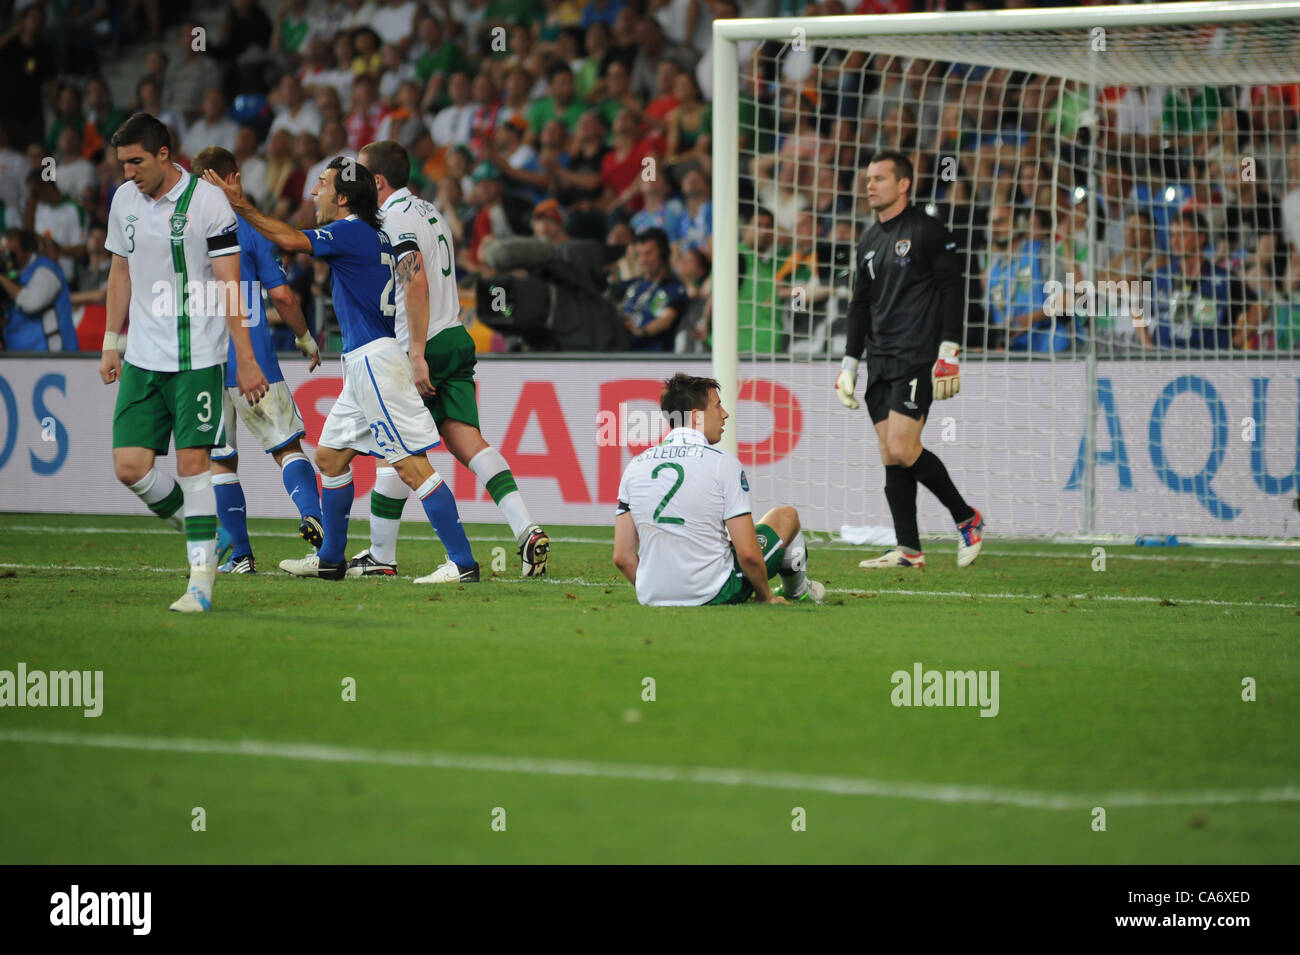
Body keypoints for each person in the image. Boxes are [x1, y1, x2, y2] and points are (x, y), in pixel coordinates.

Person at [203, 155, 480, 583]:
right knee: (329, 458)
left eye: (323, 183)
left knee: (409, 465)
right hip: (363, 361)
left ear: (344, 197)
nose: (315, 191)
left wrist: (242, 206)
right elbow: (413, 276)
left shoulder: (350, 230)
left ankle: (462, 563)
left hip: (375, 361)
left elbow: (293, 241)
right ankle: (331, 559)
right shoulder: (380, 231)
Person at [350, 139, 550, 577]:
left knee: (393, 449)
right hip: (454, 333)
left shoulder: (393, 218)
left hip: (422, 343)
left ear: (378, 181)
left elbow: (414, 280)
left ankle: (383, 557)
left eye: (362, 176)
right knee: (466, 439)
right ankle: (527, 528)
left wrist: (417, 354)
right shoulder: (428, 209)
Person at [98, 112, 269, 612]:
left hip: (198, 357)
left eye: (136, 162)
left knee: (194, 466)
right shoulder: (124, 201)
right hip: (143, 358)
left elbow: (229, 284)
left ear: (164, 155)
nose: (128, 173)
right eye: (122, 164)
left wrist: (246, 356)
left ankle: (200, 583)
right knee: (130, 467)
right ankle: (208, 534)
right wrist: (112, 340)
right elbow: (119, 272)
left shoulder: (209, 202)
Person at [835, 150, 984, 570]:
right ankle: (909, 548)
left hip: (917, 355)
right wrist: (850, 362)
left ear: (903, 184)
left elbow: (954, 291)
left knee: (903, 445)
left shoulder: (928, 231)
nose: (869, 184)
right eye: (868, 177)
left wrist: (950, 351)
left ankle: (966, 518)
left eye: (879, 177)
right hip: (879, 358)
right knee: (890, 453)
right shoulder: (868, 240)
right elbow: (859, 305)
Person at [189, 146, 325, 575]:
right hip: (255, 358)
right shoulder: (250, 229)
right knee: (286, 447)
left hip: (204, 361)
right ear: (236, 178)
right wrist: (304, 336)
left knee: (220, 460)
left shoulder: (184, 230)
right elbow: (282, 295)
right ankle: (312, 516)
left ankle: (242, 555)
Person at [612, 373, 825, 606]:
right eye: (718, 406)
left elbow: (622, 557)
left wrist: (654, 590)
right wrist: (766, 596)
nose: (725, 414)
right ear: (696, 416)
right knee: (785, 516)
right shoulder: (722, 462)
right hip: (715, 591)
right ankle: (798, 591)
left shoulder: (635, 465)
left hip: (652, 594)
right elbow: (748, 554)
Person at [0, 228, 77, 352]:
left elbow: (31, 303)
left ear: (27, 251)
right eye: (2, 253)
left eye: (10, 253)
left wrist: (2, 279)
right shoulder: (13, 274)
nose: (6, 258)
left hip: (52, 357)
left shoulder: (46, 270)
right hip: (17, 356)